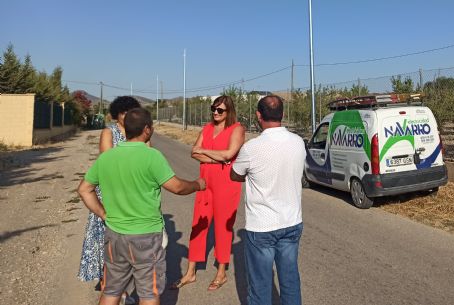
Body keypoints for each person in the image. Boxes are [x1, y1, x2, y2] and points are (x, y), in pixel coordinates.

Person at [77, 108, 206, 305]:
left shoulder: (106, 158)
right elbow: (177, 188)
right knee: (149, 293)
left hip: (114, 235)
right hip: (146, 236)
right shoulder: (151, 156)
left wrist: (103, 213)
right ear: (147, 129)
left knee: (111, 290)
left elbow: (84, 190)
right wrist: (198, 184)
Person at [231, 95, 306, 305]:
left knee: (260, 287)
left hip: (262, 227)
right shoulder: (298, 142)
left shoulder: (251, 148)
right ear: (282, 114)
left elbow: (235, 175)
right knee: (290, 281)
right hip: (291, 222)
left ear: (258, 115)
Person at [171, 95, 246, 291]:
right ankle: (190, 272)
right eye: (213, 109)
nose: (215, 112)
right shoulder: (207, 128)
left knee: (223, 227)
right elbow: (194, 152)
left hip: (226, 184)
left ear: (228, 111)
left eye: (220, 110)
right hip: (205, 182)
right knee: (198, 224)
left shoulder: (237, 129)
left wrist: (207, 153)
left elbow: (229, 154)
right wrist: (216, 159)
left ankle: (221, 272)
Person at [78, 96, 141, 286]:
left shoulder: (138, 132)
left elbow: (147, 157)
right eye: (124, 112)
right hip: (110, 193)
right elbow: (108, 160)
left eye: (131, 112)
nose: (127, 115)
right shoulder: (109, 131)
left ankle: (122, 285)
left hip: (132, 193)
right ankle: (108, 283)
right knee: (107, 240)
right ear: (118, 114)